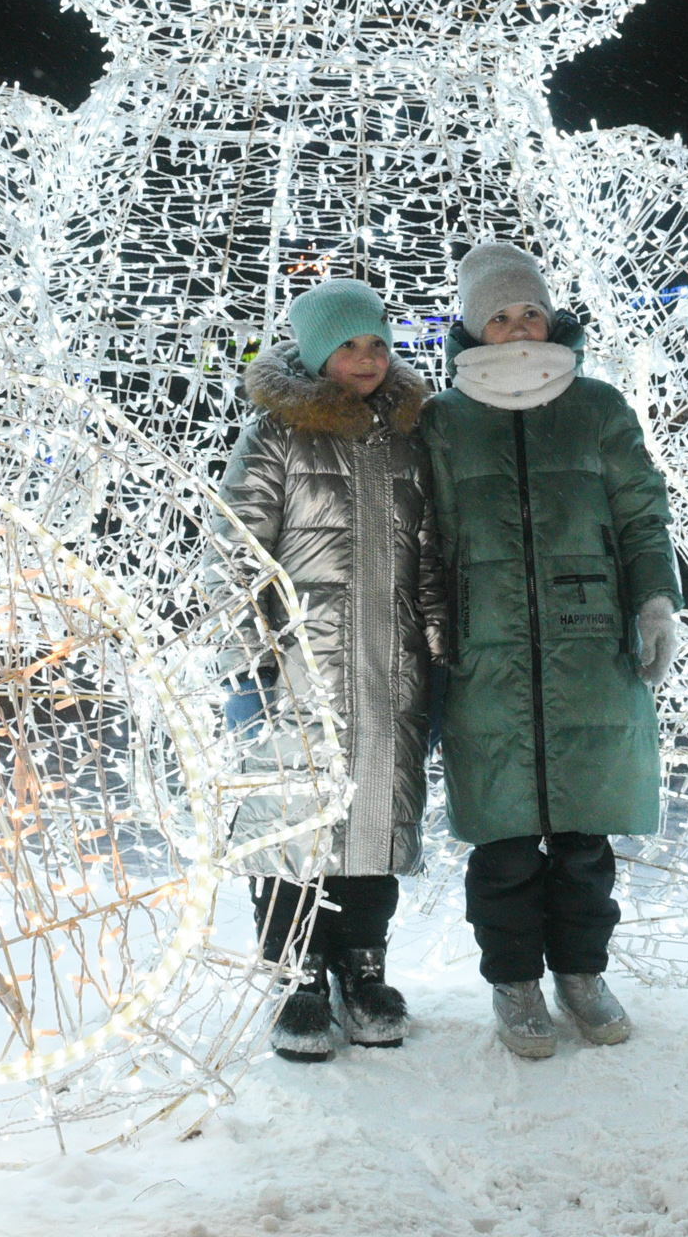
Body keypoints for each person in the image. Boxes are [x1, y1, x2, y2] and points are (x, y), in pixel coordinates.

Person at [417, 243, 680, 1060]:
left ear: (550, 314)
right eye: (498, 313)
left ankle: (581, 975)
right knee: (501, 844)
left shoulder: (597, 407)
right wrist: (432, 627)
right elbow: (421, 533)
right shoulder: (442, 420)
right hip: (484, 656)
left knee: (583, 839)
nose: (517, 324)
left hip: (589, 650)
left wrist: (655, 598)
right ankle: (514, 983)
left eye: (528, 309)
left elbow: (641, 513)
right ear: (471, 326)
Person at [218, 281, 432, 1062]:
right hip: (299, 672)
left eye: (376, 342)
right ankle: (296, 968)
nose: (366, 359)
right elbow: (236, 550)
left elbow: (430, 549)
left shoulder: (411, 433)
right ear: (314, 354)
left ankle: (361, 962)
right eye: (347, 345)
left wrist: (434, 643)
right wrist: (251, 657)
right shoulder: (277, 435)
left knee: (376, 821)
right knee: (292, 824)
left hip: (389, 667)